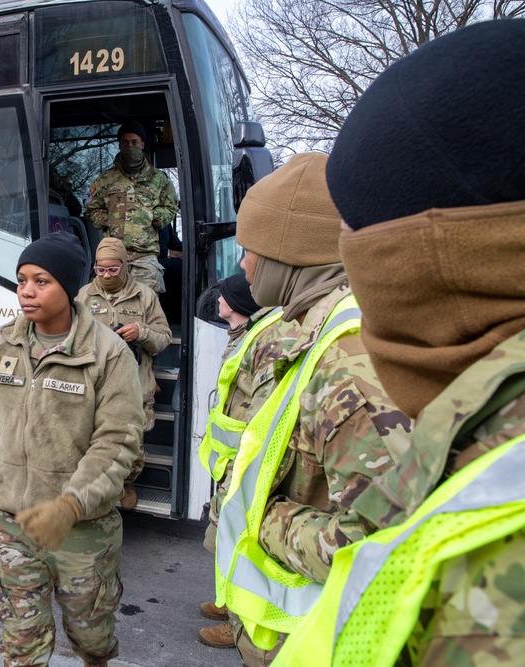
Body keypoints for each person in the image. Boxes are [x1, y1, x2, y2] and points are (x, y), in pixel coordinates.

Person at [272, 20, 525, 666]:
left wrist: (269, 522)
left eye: (359, 236)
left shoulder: (497, 485)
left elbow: (362, 540)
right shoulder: (479, 427)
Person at [215, 152, 415, 666]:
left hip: (318, 643)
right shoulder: (315, 331)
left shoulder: (348, 362)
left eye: (249, 250)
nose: (242, 266)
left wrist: (264, 522)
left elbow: (382, 545)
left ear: (289, 254)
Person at [0, 231, 143, 667]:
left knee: (91, 637)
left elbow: (116, 442)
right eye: (21, 280)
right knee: (21, 644)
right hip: (12, 524)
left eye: (42, 281)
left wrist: (71, 506)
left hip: (82, 531)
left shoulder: (108, 355)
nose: (27, 292)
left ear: (68, 286)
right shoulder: (2, 344)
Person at [197, 273, 281, 650]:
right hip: (231, 461)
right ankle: (227, 601)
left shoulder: (256, 342)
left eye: (225, 297)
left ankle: (239, 624)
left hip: (242, 462)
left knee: (232, 540)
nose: (218, 301)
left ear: (238, 305)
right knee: (222, 538)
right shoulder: (243, 337)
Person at [77, 236, 171, 509]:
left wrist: (141, 332)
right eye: (100, 269)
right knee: (90, 442)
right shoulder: (83, 296)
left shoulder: (145, 295)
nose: (106, 275)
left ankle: (126, 482)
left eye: (113, 269)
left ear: (125, 265)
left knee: (132, 450)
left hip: (133, 384)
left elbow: (164, 338)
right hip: (94, 385)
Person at [85, 119, 178, 293]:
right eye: (125, 142)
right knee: (107, 309)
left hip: (145, 258)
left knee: (146, 307)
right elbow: (92, 208)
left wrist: (151, 217)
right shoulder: (105, 180)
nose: (130, 146)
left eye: (134, 142)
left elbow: (170, 208)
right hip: (112, 257)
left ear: (142, 144)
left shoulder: (159, 179)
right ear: (119, 145)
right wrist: (110, 220)